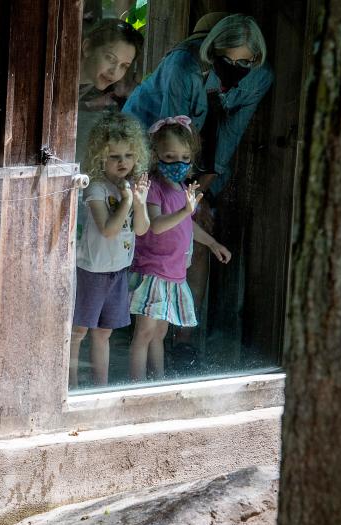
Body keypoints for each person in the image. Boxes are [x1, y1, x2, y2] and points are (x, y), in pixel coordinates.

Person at [123, 13, 272, 364]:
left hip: (193, 159)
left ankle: (182, 338)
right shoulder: (183, 66)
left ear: (255, 59)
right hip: (151, 147)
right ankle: (128, 323)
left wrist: (200, 191)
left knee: (196, 231)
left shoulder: (259, 78)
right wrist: (175, 192)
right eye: (227, 59)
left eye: (244, 62)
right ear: (210, 48)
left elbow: (230, 134)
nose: (235, 67)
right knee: (145, 235)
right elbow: (170, 138)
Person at [128, 116, 231, 382]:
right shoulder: (154, 188)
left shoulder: (182, 188)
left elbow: (188, 226)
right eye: (170, 156)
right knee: (144, 333)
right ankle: (135, 387)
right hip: (154, 272)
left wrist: (212, 242)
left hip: (174, 275)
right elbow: (156, 226)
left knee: (159, 334)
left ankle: (157, 381)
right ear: (156, 155)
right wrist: (186, 210)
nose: (178, 163)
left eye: (185, 157)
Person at [70, 112, 151, 388]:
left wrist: (138, 202)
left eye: (128, 155)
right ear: (100, 157)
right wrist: (127, 201)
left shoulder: (131, 188)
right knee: (79, 330)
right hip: (92, 270)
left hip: (118, 270)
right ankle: (70, 384)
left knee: (104, 332)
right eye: (114, 156)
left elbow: (141, 229)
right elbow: (107, 228)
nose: (123, 163)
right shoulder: (97, 189)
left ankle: (99, 386)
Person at [76, 19, 144, 161]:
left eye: (124, 66)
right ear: (87, 47)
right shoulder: (57, 74)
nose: (114, 72)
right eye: (110, 58)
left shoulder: (99, 88)